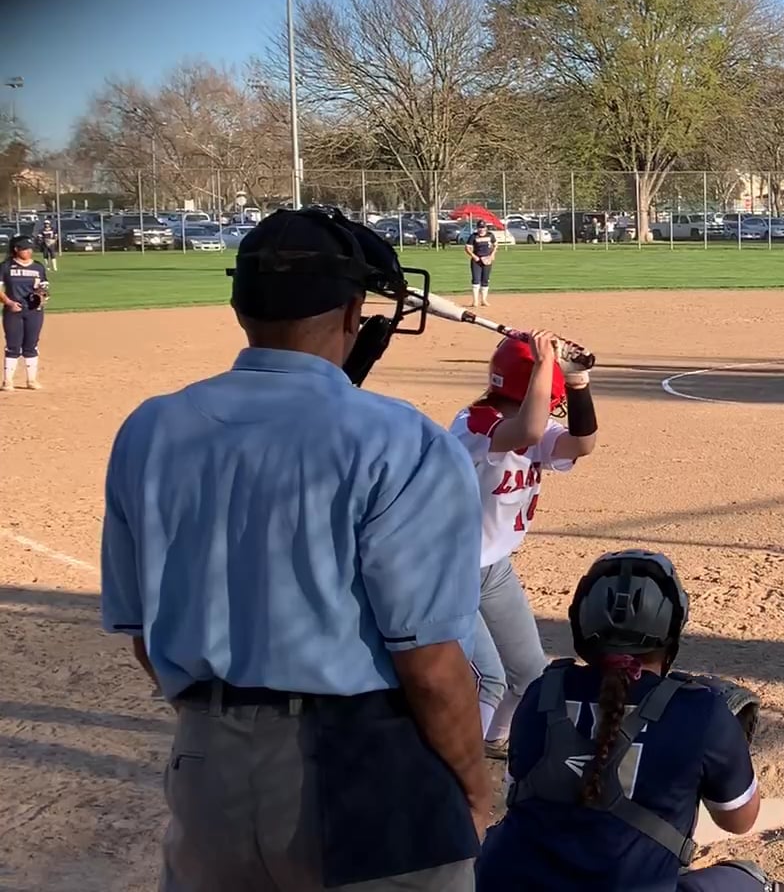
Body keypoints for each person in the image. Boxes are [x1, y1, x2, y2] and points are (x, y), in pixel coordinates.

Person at [100, 207, 491, 891]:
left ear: (240, 305)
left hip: (206, 766)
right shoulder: (402, 441)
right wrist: (475, 792)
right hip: (364, 767)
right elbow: (430, 666)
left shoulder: (150, 429)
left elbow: (144, 639)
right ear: (352, 313)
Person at [475, 550, 777, 892]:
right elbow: (739, 821)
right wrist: (725, 743)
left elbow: (518, 793)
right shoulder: (702, 710)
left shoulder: (541, 692)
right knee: (747, 879)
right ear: (672, 631)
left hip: (503, 882)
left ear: (581, 624)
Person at [452, 330, 597, 758]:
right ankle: (460, 766)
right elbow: (527, 430)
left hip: (493, 568)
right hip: (448, 571)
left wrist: (578, 383)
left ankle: (492, 741)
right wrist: (545, 364)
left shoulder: (536, 427)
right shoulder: (475, 425)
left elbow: (582, 443)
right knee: (489, 679)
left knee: (531, 674)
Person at [3, 235, 49, 391]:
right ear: (16, 249)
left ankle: (31, 380)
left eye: (30, 248)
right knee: (13, 345)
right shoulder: (6, 266)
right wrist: (8, 302)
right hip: (13, 311)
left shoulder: (38, 267)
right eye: (25, 249)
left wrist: (42, 296)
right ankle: (7, 381)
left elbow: (43, 288)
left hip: (34, 311)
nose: (29, 251)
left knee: (31, 345)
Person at [466, 222, 498, 307]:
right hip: (477, 260)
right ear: (477, 228)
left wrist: (492, 255)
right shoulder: (474, 236)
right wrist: (474, 256)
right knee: (476, 280)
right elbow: (467, 248)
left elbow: (495, 245)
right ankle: (475, 301)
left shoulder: (490, 235)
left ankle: (484, 300)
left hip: (487, 260)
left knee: (485, 280)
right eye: (480, 227)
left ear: (486, 228)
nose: (481, 229)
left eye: (483, 227)